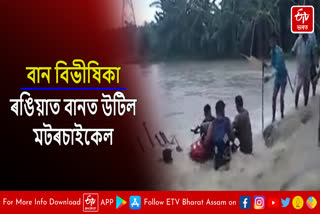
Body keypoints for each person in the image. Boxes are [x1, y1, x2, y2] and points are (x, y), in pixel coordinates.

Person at [264, 33, 288, 122]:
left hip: (283, 77)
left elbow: (277, 68)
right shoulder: (272, 51)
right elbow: (272, 65)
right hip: (277, 77)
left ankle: (282, 115)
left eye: (272, 41)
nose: (271, 43)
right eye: (270, 41)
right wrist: (266, 65)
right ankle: (273, 117)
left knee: (281, 97)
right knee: (274, 97)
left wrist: (269, 77)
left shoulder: (279, 52)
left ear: (275, 41)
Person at [204, 100, 234, 170]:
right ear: (223, 110)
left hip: (217, 158)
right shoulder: (227, 121)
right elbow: (232, 138)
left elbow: (207, 141)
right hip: (226, 156)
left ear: (216, 111)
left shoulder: (212, 124)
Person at [291, 34, 317, 107]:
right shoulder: (298, 40)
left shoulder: (311, 40)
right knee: (298, 87)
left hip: (308, 67)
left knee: (306, 87)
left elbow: (314, 53)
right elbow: (293, 49)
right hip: (300, 68)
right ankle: (296, 105)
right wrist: (293, 52)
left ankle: (305, 104)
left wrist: (315, 63)